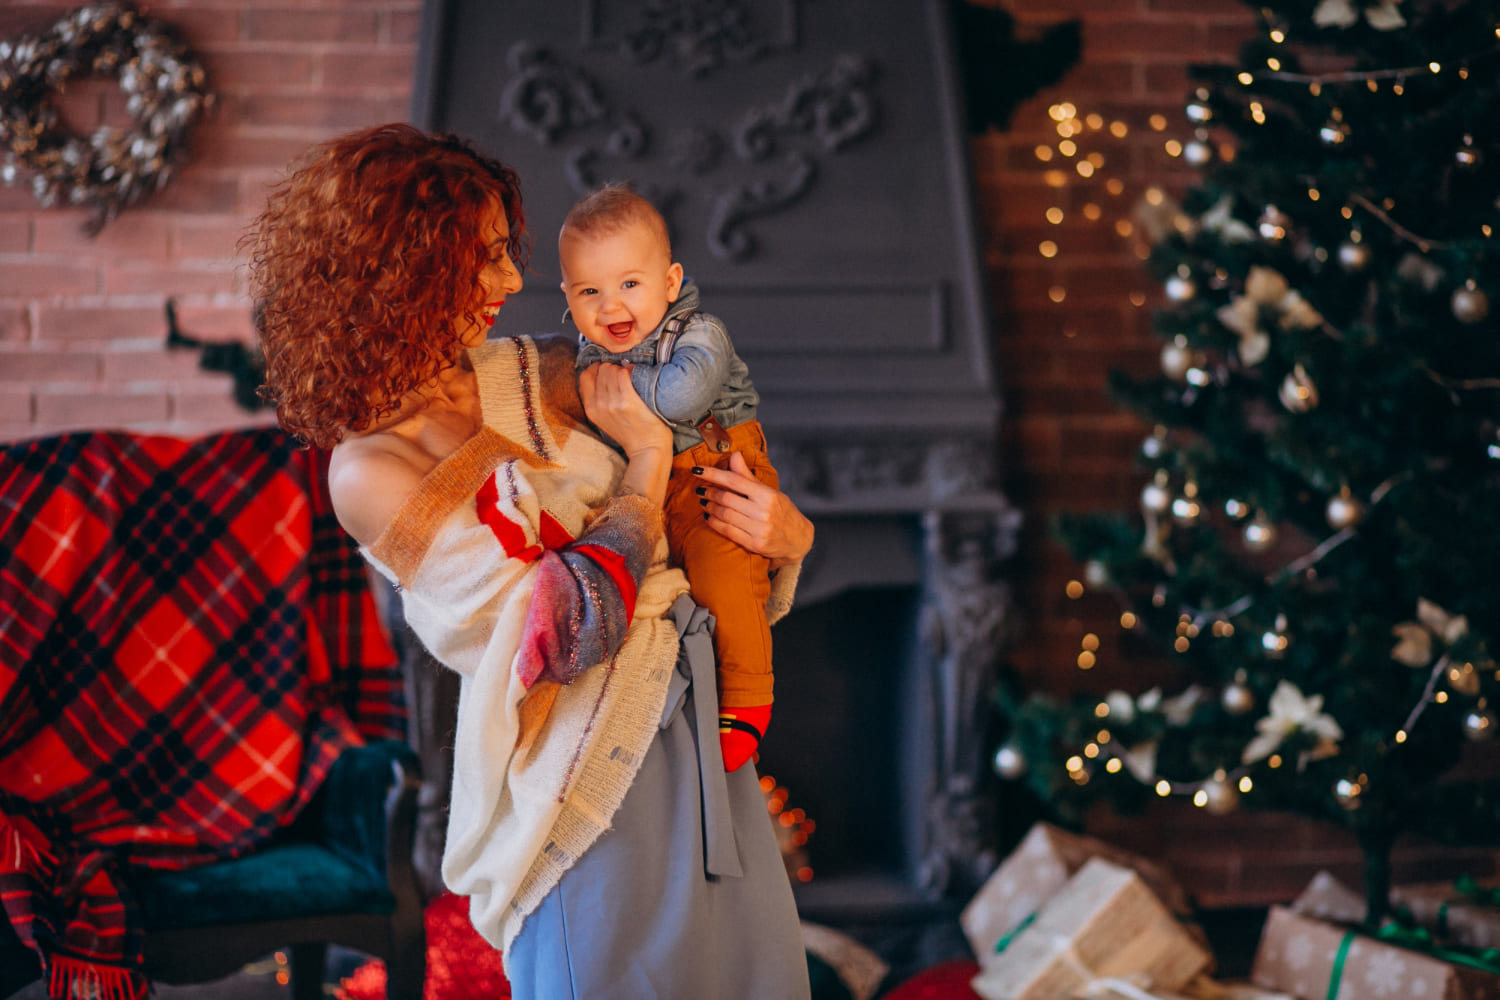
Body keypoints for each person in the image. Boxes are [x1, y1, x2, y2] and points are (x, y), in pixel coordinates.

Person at [245, 123, 814, 999]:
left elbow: (703, 481)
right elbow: (567, 630)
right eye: (484, 258)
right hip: (581, 777)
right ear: (400, 269)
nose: (514, 281)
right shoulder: (370, 471)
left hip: (699, 731)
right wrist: (647, 465)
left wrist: (785, 538)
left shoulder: (534, 370)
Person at [560, 183, 779, 773]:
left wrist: (623, 396)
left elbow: (682, 396)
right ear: (568, 297)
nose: (610, 308)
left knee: (723, 575)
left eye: (630, 284)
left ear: (671, 282)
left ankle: (751, 696)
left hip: (720, 471)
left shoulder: (700, 333)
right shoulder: (586, 351)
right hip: (655, 485)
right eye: (589, 291)